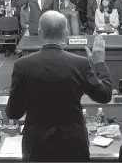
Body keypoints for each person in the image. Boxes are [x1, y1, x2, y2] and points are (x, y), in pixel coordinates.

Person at [6, 10, 112, 162]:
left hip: (37, 146)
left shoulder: (22, 65)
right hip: (73, 145)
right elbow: (105, 95)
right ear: (66, 34)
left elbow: (14, 113)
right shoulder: (81, 64)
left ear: (40, 33)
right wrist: (99, 62)